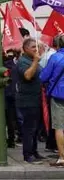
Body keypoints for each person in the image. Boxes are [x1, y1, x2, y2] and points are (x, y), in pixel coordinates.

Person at [16, 38, 45, 164]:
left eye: (36, 47)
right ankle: (27, 154)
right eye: (33, 47)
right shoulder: (23, 61)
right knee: (29, 129)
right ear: (26, 48)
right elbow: (27, 75)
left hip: (37, 99)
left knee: (36, 128)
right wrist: (35, 61)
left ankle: (34, 151)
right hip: (27, 101)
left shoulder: (33, 60)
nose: (36, 49)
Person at [40, 34, 64, 167]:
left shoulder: (55, 57)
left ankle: (62, 157)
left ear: (57, 45)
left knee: (59, 127)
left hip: (58, 96)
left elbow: (43, 77)